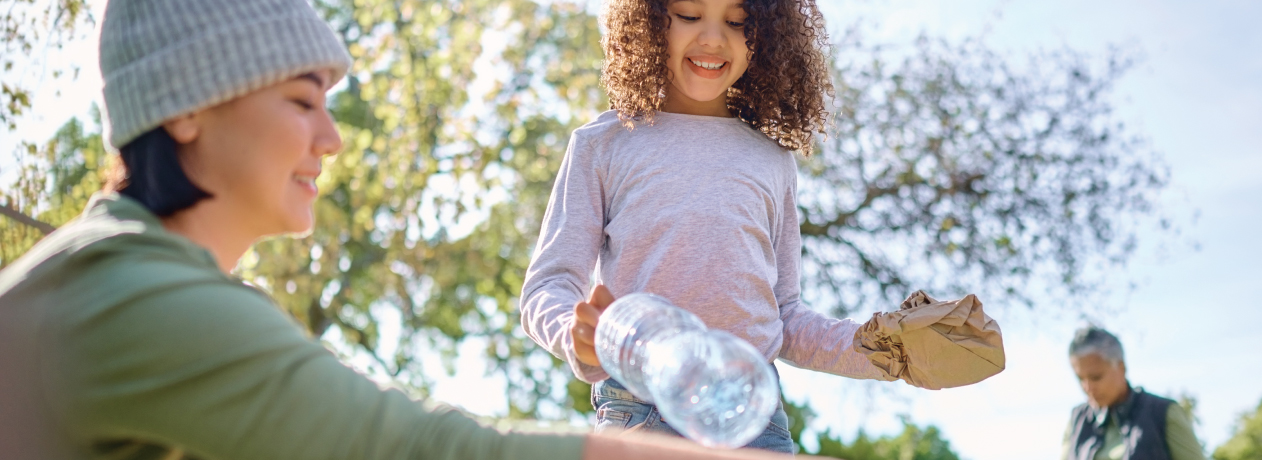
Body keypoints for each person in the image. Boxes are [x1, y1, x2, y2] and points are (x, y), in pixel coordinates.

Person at [0, 1, 822, 459]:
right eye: (300, 100)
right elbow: (416, 448)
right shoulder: (139, 299)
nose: (331, 137)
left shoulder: (150, 287)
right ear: (183, 108)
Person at [519, 0, 892, 453]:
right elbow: (549, 286)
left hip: (753, 416)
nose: (713, 38)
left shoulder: (773, 161)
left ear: (765, 37)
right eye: (689, 15)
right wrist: (577, 336)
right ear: (651, 21)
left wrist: (885, 348)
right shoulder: (602, 145)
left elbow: (785, 316)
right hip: (638, 411)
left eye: (737, 22)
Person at [1062, 326, 1205, 460]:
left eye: (1096, 377)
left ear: (1121, 367)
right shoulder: (1077, 421)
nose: (1087, 387)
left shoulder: (1163, 413)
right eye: (1080, 378)